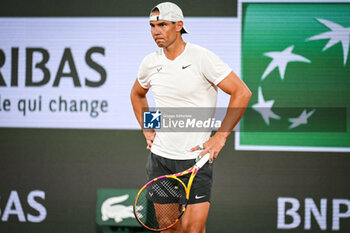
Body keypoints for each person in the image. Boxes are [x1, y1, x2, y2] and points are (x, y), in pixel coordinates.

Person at [130, 2, 251, 233]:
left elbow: (241, 92)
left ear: (179, 26)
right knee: (168, 228)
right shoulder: (150, 62)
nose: (156, 31)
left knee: (192, 230)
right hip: (161, 161)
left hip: (196, 160)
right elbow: (137, 94)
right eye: (152, 26)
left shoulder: (202, 58)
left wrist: (220, 137)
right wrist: (148, 128)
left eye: (163, 25)